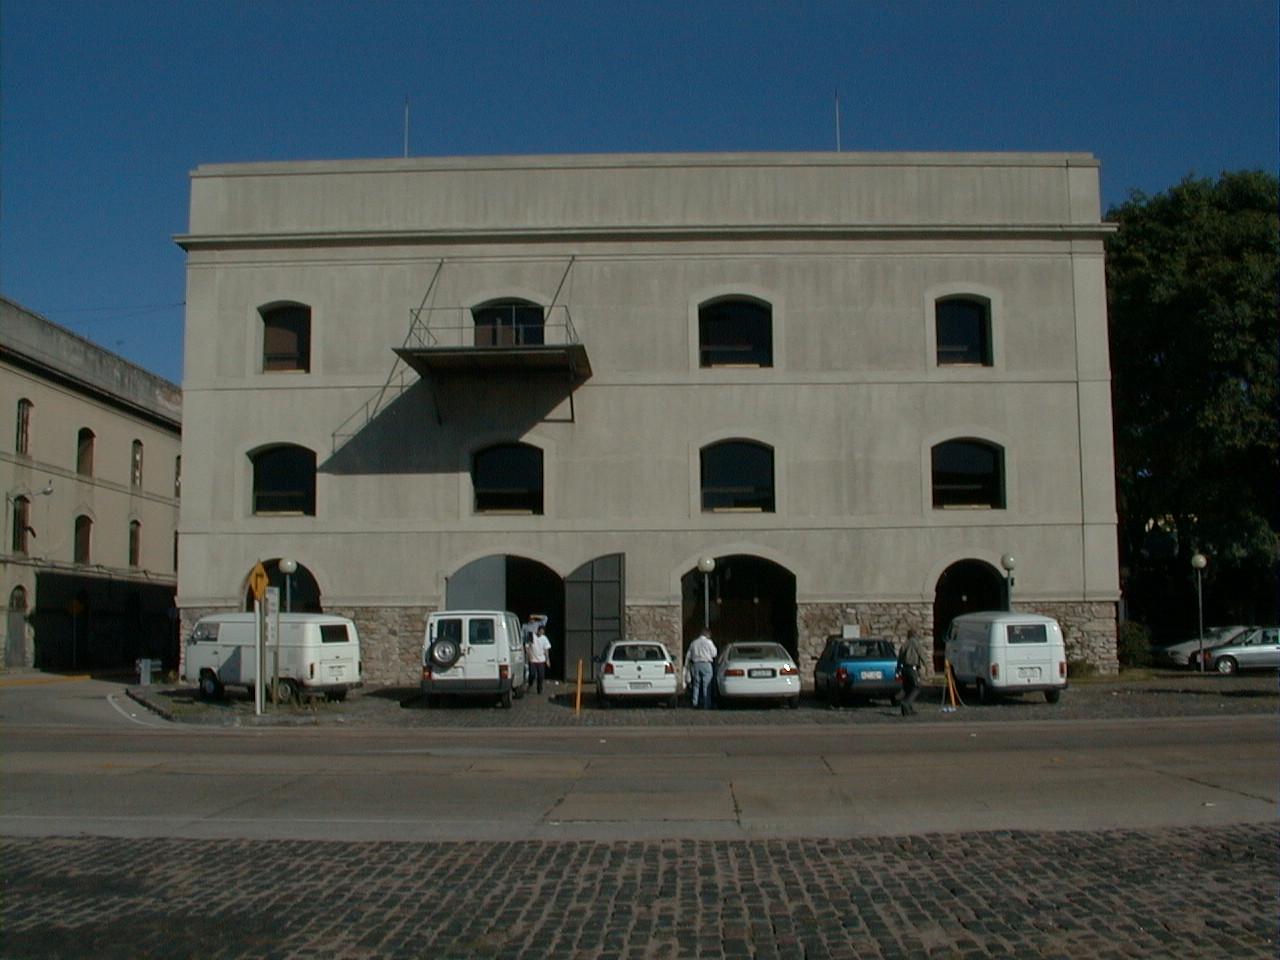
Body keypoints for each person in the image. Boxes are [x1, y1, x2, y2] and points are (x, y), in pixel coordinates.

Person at [684, 629, 717, 709]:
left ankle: (695, 703)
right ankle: (706, 704)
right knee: (707, 685)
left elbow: (688, 655)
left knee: (696, 685)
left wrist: (686, 665)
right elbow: (714, 654)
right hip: (706, 663)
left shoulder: (694, 642)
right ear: (707, 634)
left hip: (696, 664)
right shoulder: (709, 642)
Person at [898, 629, 927, 716]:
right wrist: (927, 666)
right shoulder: (916, 644)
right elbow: (922, 655)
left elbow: (900, 658)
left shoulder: (904, 644)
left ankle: (907, 710)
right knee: (916, 687)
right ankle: (906, 703)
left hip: (904, 669)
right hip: (912, 669)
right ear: (914, 635)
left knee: (908, 689)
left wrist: (898, 669)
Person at [526, 623, 552, 694]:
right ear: (538, 630)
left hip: (541, 660)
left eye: (542, 632)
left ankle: (539, 688)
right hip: (533, 659)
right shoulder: (531, 636)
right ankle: (530, 684)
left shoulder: (544, 638)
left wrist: (547, 660)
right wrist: (529, 656)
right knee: (532, 674)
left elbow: (546, 650)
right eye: (540, 631)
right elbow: (527, 647)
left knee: (541, 675)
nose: (541, 633)